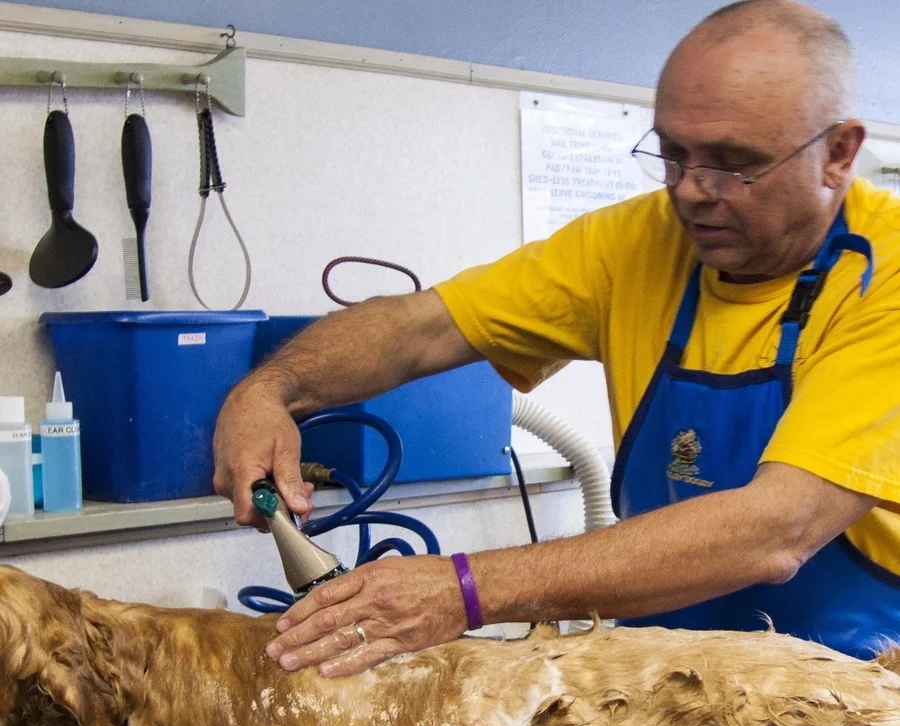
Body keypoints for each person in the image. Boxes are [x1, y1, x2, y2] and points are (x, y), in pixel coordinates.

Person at [213, 0, 900, 677]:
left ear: (838, 154)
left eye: (732, 164)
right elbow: (424, 326)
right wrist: (270, 390)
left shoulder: (887, 273)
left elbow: (779, 528)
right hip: (668, 691)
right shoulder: (636, 242)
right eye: (671, 154)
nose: (690, 192)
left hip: (853, 706)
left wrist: (465, 589)